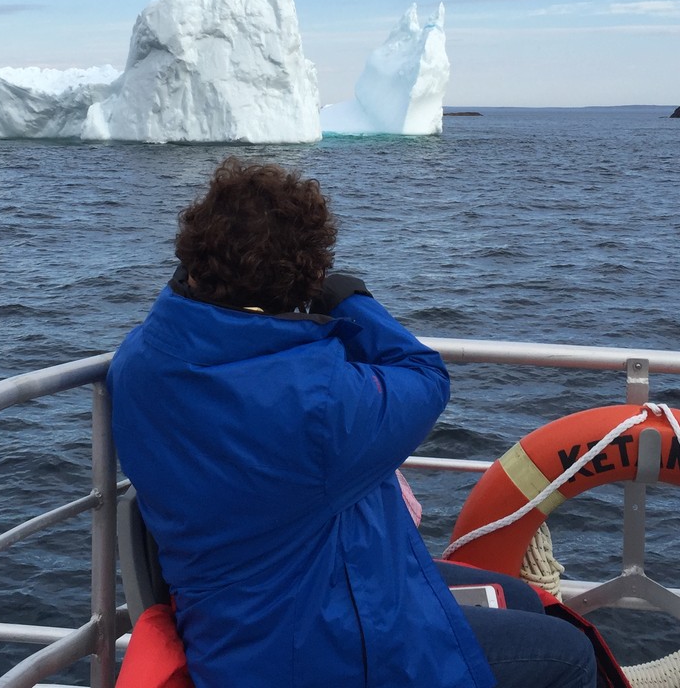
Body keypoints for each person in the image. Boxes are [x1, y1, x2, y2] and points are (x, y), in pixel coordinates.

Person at [108, 157, 598, 688]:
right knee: (571, 653)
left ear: (193, 260)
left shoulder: (138, 361)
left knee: (524, 598)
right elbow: (425, 376)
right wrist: (352, 301)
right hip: (317, 648)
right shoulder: (319, 402)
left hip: (236, 617)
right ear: (301, 277)